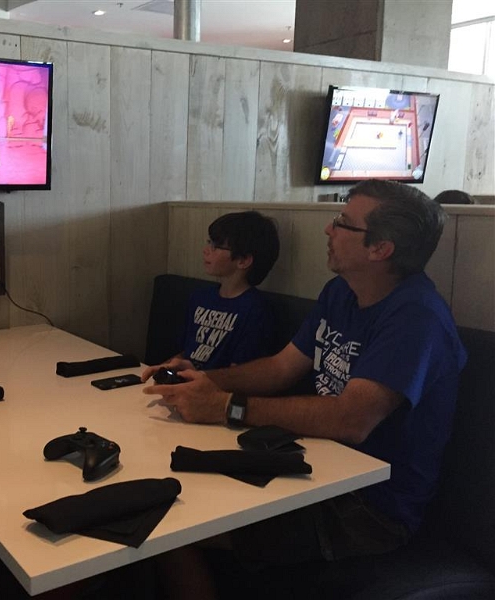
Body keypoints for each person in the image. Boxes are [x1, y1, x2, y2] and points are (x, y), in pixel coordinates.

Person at [142, 180, 467, 598]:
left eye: (342, 223)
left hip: (369, 506)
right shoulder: (341, 292)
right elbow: (281, 368)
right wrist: (204, 379)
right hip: (313, 467)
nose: (328, 229)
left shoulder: (417, 318)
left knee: (171, 527)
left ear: (380, 249)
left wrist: (227, 407)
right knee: (162, 490)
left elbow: (351, 420)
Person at [172, 211, 280, 371]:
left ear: (243, 260)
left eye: (215, 246)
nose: (206, 250)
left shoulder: (255, 310)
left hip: (214, 384)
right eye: (209, 242)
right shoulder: (200, 298)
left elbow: (239, 374)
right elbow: (185, 353)